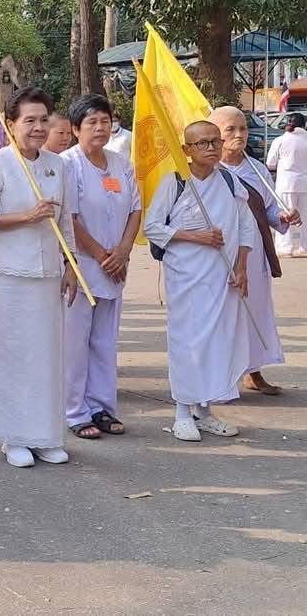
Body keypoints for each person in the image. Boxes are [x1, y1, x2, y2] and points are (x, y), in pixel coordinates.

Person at [0, 87, 78, 468]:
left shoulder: (57, 165)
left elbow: (66, 220)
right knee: (11, 357)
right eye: (29, 120)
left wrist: (71, 266)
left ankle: (45, 435)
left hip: (47, 276)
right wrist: (25, 217)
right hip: (8, 277)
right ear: (11, 124)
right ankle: (13, 437)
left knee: (45, 359)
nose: (37, 127)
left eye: (43, 119)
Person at [144, 120, 252, 442]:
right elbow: (152, 227)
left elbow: (245, 227)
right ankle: (182, 413)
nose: (211, 148)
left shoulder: (230, 181)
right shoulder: (175, 182)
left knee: (216, 343)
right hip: (186, 279)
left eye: (215, 141)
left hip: (222, 279)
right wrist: (197, 237)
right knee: (187, 343)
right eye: (202, 143)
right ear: (186, 149)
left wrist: (242, 267)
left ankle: (204, 412)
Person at [61, 94, 141, 440]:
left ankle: (102, 407)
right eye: (91, 122)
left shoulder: (121, 163)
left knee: (105, 341)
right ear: (75, 128)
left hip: (115, 267)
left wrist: (122, 252)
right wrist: (100, 255)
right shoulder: (67, 164)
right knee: (75, 343)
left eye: (105, 121)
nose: (99, 128)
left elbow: (135, 209)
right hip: (80, 267)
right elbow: (69, 217)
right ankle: (75, 411)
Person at [213, 106, 298, 395]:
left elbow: (269, 211)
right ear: (216, 134)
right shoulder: (209, 171)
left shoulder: (258, 170)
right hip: (219, 254)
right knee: (223, 313)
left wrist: (283, 217)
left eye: (243, 128)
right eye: (231, 129)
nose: (239, 135)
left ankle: (253, 371)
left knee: (256, 311)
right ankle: (221, 375)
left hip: (254, 252)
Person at [265, 112, 307, 256]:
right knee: (305, 216)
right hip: (305, 183)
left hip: (286, 183)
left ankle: (285, 247)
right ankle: (304, 247)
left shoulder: (280, 140)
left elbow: (270, 163)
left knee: (285, 215)